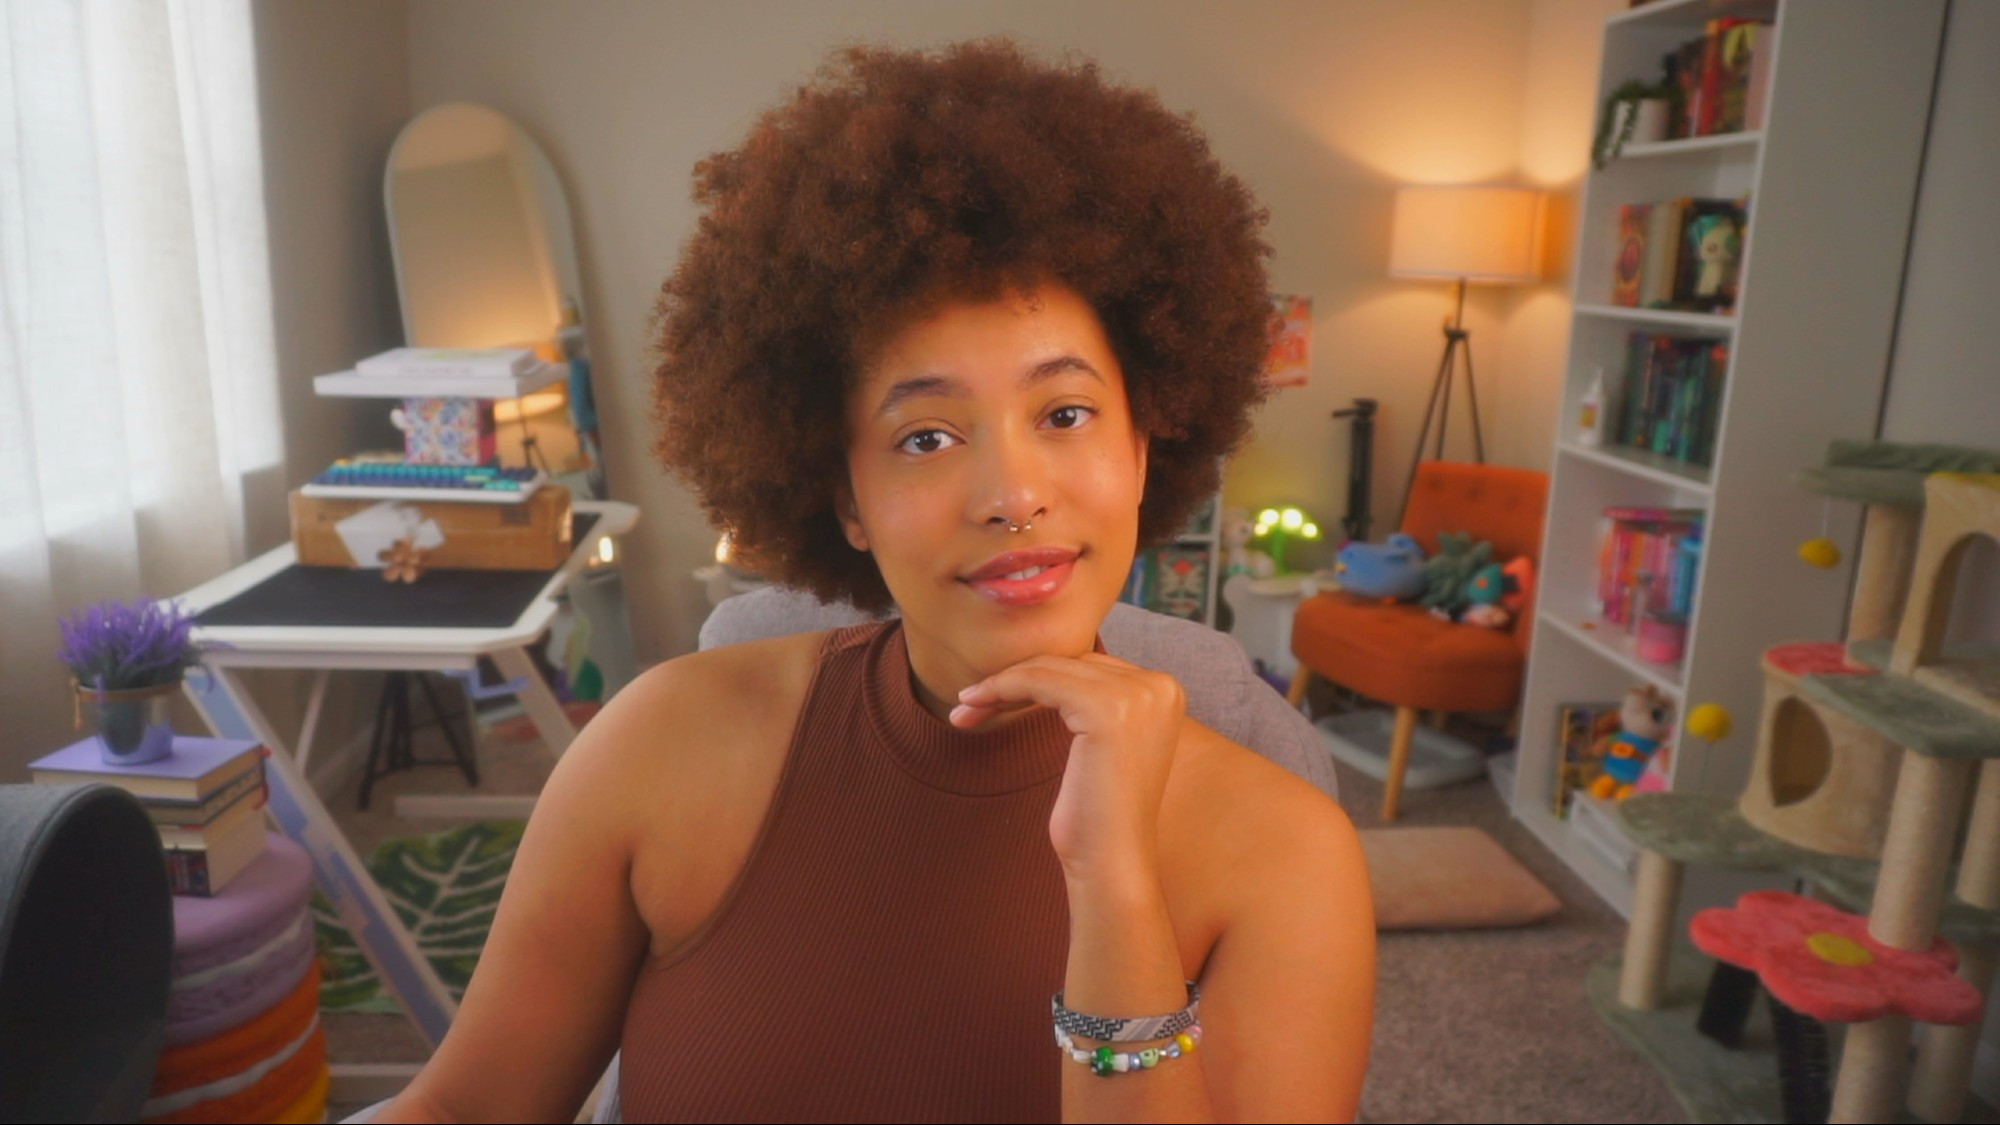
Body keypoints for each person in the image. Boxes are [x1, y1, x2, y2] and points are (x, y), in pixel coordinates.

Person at [376, 40, 1373, 1124]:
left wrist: (1112, 886)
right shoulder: (658, 743)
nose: (1011, 494)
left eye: (1065, 414)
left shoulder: (1285, 854)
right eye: (927, 435)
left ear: (1142, 447)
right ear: (841, 498)